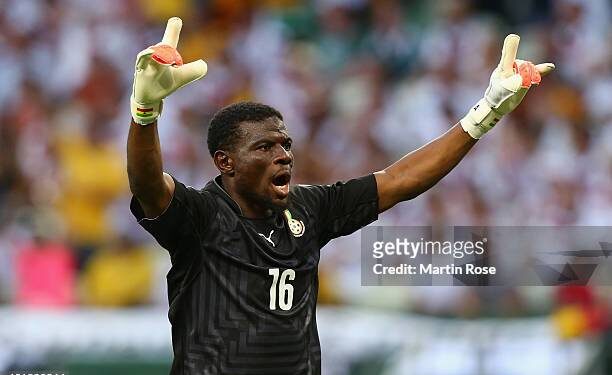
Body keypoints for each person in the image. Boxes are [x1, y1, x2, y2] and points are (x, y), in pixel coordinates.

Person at [127, 17, 554, 375]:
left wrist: (484, 114)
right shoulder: (201, 217)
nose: (283, 156)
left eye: (285, 145)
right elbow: (149, 185)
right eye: (265, 148)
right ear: (225, 162)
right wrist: (145, 114)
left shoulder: (310, 208)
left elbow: (398, 181)